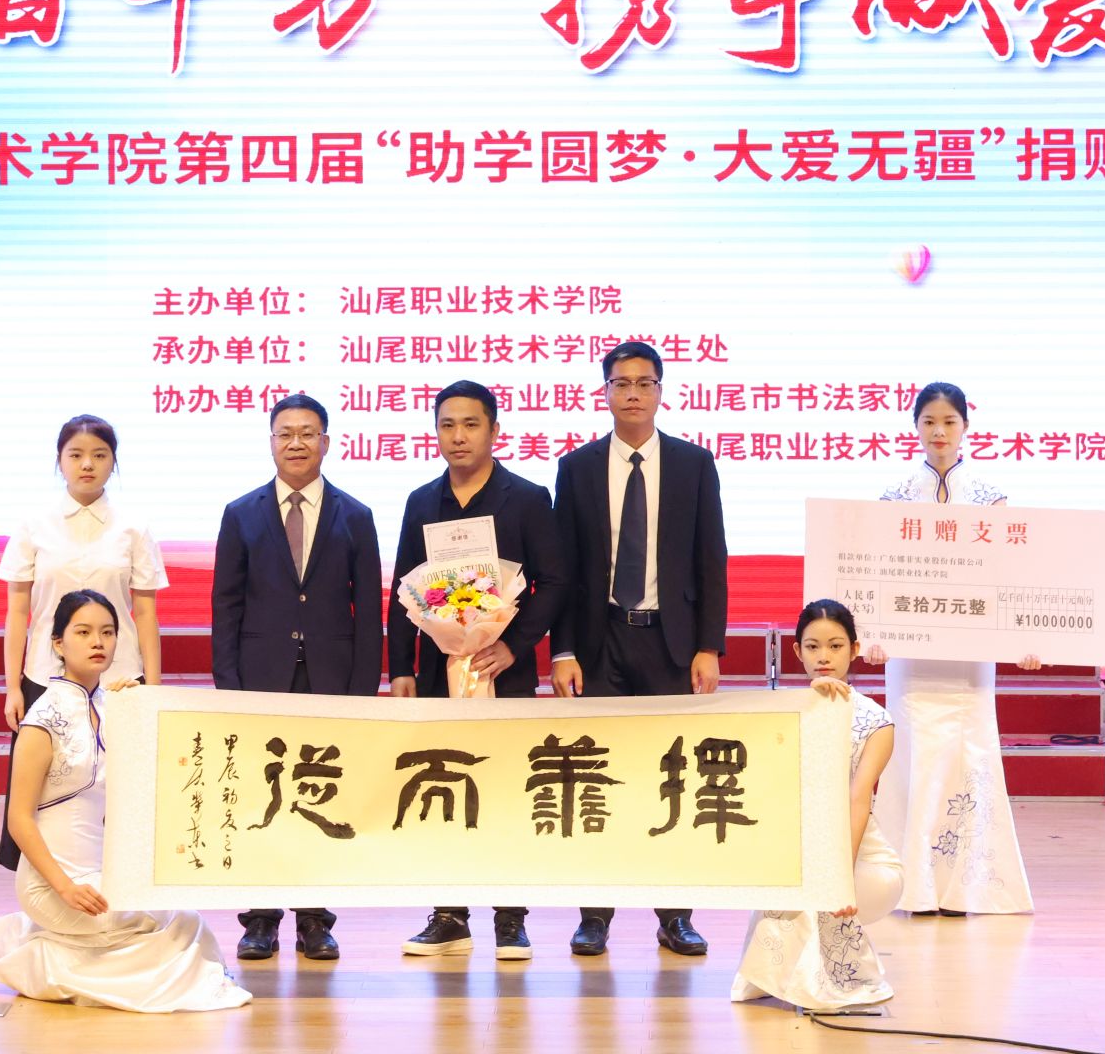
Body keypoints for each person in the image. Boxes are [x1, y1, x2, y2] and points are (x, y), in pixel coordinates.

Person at [0, 591, 250, 1013]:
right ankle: (42, 959)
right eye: (84, 632)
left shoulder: (115, 706)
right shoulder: (41, 721)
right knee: (172, 926)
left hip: (101, 872)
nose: (98, 642)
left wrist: (137, 710)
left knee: (183, 919)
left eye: (108, 633)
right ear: (58, 643)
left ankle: (56, 957)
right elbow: (19, 820)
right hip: (51, 881)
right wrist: (65, 887)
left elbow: (151, 779)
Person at [550, 339, 728, 957]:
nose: (632, 393)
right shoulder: (576, 468)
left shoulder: (693, 464)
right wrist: (563, 650)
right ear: (605, 392)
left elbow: (711, 558)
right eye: (621, 383)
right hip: (599, 640)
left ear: (660, 391)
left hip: (669, 642)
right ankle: (594, 916)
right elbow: (564, 570)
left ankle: (675, 916)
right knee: (596, 777)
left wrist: (708, 645)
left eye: (644, 383)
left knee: (669, 778)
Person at [387, 380, 568, 961]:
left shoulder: (527, 498)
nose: (458, 436)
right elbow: (404, 588)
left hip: (502, 673)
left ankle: (511, 918)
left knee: (508, 786)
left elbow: (554, 582)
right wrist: (401, 667)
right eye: (447, 425)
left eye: (470, 424)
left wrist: (513, 645)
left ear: (494, 430)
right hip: (438, 673)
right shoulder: (422, 501)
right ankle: (449, 915)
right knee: (441, 783)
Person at [210, 393, 382, 961]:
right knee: (261, 802)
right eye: (285, 433)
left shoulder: (355, 515)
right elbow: (226, 606)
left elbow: (368, 613)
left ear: (326, 442)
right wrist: (229, 686)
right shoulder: (242, 513)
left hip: (331, 680)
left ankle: (315, 919)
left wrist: (362, 692)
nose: (297, 443)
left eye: (308, 433)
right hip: (259, 679)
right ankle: (260, 919)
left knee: (321, 798)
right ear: (271, 442)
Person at [863, 381, 1038, 916]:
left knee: (969, 755)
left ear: (966, 427)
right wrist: (873, 634)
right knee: (914, 755)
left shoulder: (991, 498)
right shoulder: (894, 499)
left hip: (970, 657)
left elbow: (1009, 578)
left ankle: (966, 885)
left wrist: (1025, 638)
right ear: (914, 427)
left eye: (949, 422)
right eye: (929, 422)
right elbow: (879, 576)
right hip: (912, 655)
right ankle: (912, 883)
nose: (939, 432)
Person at [0, 415, 168, 871]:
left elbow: (145, 613)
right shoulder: (35, 525)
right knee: (42, 790)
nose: (87, 464)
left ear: (114, 462)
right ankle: (47, 883)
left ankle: (120, 887)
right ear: (60, 461)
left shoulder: (133, 527)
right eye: (76, 455)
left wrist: (152, 686)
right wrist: (12, 687)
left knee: (122, 794)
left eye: (99, 455)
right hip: (46, 677)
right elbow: (17, 612)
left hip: (119, 681)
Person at [731, 599, 900, 1012]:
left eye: (835, 646)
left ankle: (821, 983)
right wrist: (809, 708)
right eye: (812, 647)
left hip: (859, 858)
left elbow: (857, 800)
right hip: (801, 848)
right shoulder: (783, 711)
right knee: (792, 871)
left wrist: (839, 876)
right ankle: (790, 978)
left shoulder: (876, 721)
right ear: (796, 651)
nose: (824, 657)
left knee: (810, 879)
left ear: (854, 650)